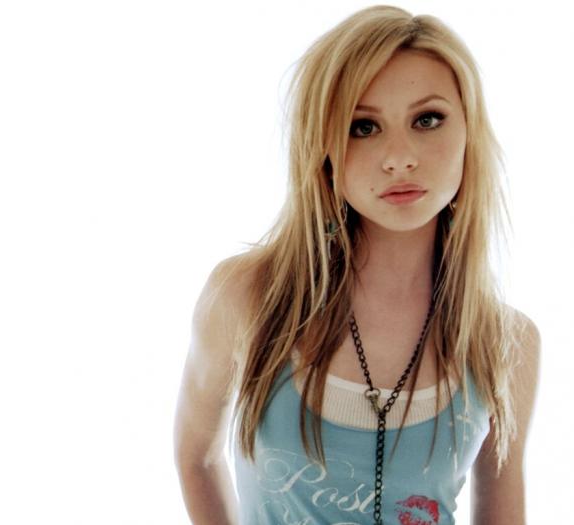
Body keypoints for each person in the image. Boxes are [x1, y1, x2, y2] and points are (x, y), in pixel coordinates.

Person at [173, 5, 540, 525]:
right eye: (363, 127)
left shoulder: (505, 342)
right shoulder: (249, 296)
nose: (399, 157)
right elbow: (196, 457)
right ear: (322, 148)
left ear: (468, 132)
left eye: (427, 120)